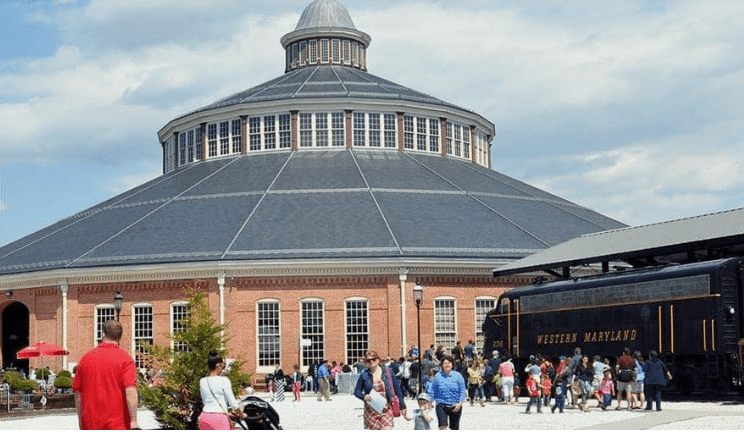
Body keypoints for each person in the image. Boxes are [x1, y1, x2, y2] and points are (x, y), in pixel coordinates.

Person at [73, 320, 139, 430]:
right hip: (118, 425)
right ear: (120, 337)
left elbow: (78, 394)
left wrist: (81, 421)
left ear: (103, 334)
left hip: (90, 424)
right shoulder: (125, 359)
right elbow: (130, 390)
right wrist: (134, 420)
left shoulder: (85, 359)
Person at [354, 350, 408, 430]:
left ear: (378, 360)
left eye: (374, 359)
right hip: (371, 409)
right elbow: (357, 391)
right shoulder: (364, 374)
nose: (371, 361)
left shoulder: (388, 372)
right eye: (368, 360)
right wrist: (363, 396)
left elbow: (398, 389)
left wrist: (403, 406)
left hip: (386, 408)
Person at [198, 350, 244, 430]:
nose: (222, 369)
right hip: (219, 419)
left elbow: (205, 401)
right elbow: (233, 403)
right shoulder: (224, 380)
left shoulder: (202, 381)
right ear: (218, 366)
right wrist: (241, 414)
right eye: (222, 366)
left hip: (204, 417)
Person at [431, 356, 467, 430]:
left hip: (455, 405)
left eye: (449, 363)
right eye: (445, 363)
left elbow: (462, 390)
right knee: (442, 427)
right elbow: (433, 389)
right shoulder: (437, 376)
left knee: (454, 428)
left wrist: (460, 403)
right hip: (441, 405)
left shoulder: (458, 375)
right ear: (441, 365)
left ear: (452, 364)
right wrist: (430, 401)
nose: (447, 365)